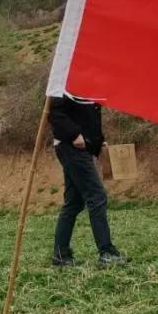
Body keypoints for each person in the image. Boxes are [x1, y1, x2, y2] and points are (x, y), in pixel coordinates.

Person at [49, 94, 126, 267]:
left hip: (80, 148)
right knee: (97, 197)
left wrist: (99, 141)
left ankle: (60, 254)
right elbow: (55, 112)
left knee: (74, 203)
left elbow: (88, 116)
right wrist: (74, 134)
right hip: (71, 147)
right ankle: (106, 252)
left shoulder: (87, 85)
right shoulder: (64, 80)